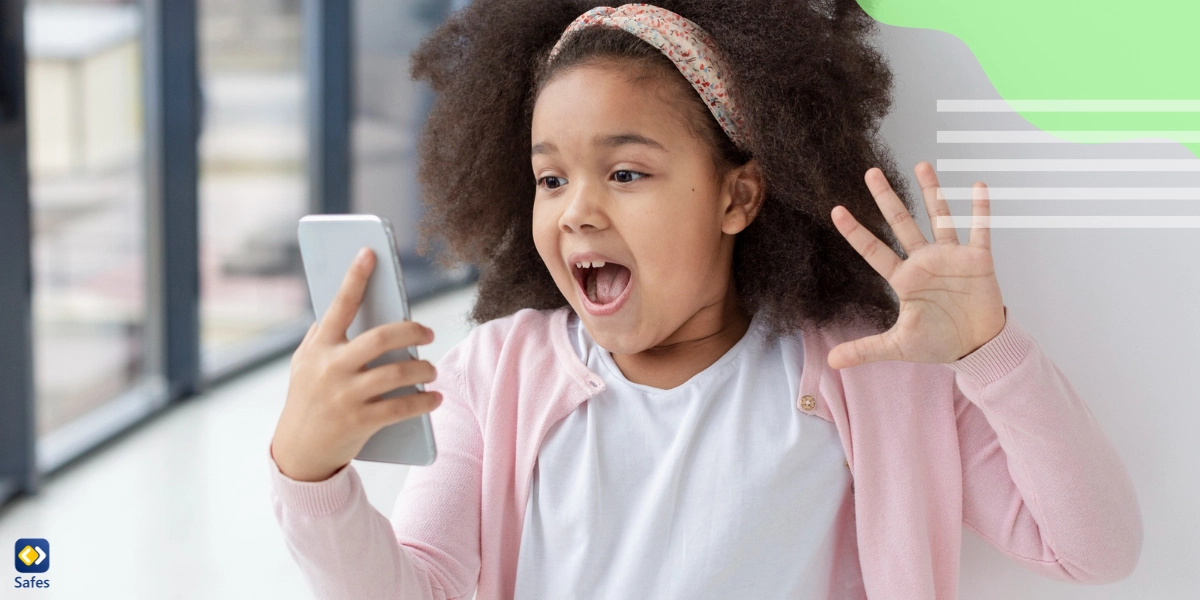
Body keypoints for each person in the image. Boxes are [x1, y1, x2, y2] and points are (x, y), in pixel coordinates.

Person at [267, 2, 1143, 598]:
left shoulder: (872, 372)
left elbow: (1095, 548)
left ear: (738, 197)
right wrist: (313, 477)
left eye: (625, 172)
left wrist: (988, 351)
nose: (578, 209)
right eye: (549, 177)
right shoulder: (495, 377)